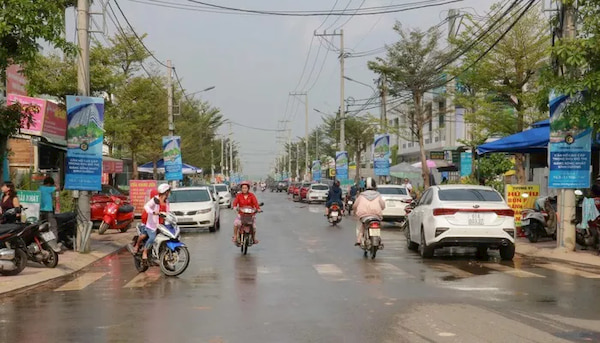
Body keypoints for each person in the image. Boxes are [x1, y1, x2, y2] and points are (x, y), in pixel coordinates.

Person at [133, 184, 171, 261]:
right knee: (152, 237)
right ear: (165, 192)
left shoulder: (166, 201)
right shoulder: (155, 200)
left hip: (161, 225)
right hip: (152, 224)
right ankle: (144, 251)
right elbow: (146, 207)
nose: (169, 193)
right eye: (168, 191)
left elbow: (168, 212)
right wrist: (153, 212)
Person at [352, 177, 386, 246]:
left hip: (363, 215)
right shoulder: (378, 195)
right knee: (378, 226)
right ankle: (379, 240)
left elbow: (355, 206)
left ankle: (359, 240)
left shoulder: (361, 195)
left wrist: (354, 211)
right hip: (376, 215)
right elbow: (383, 206)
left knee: (361, 225)